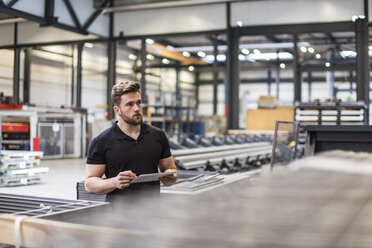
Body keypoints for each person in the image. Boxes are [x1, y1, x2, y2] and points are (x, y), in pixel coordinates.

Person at [85, 81, 178, 202]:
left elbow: (170, 169)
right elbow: (90, 184)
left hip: (153, 211)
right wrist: (114, 182)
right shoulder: (101, 142)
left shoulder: (158, 136)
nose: (137, 108)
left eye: (138, 103)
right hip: (118, 214)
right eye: (129, 104)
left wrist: (171, 176)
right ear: (117, 110)